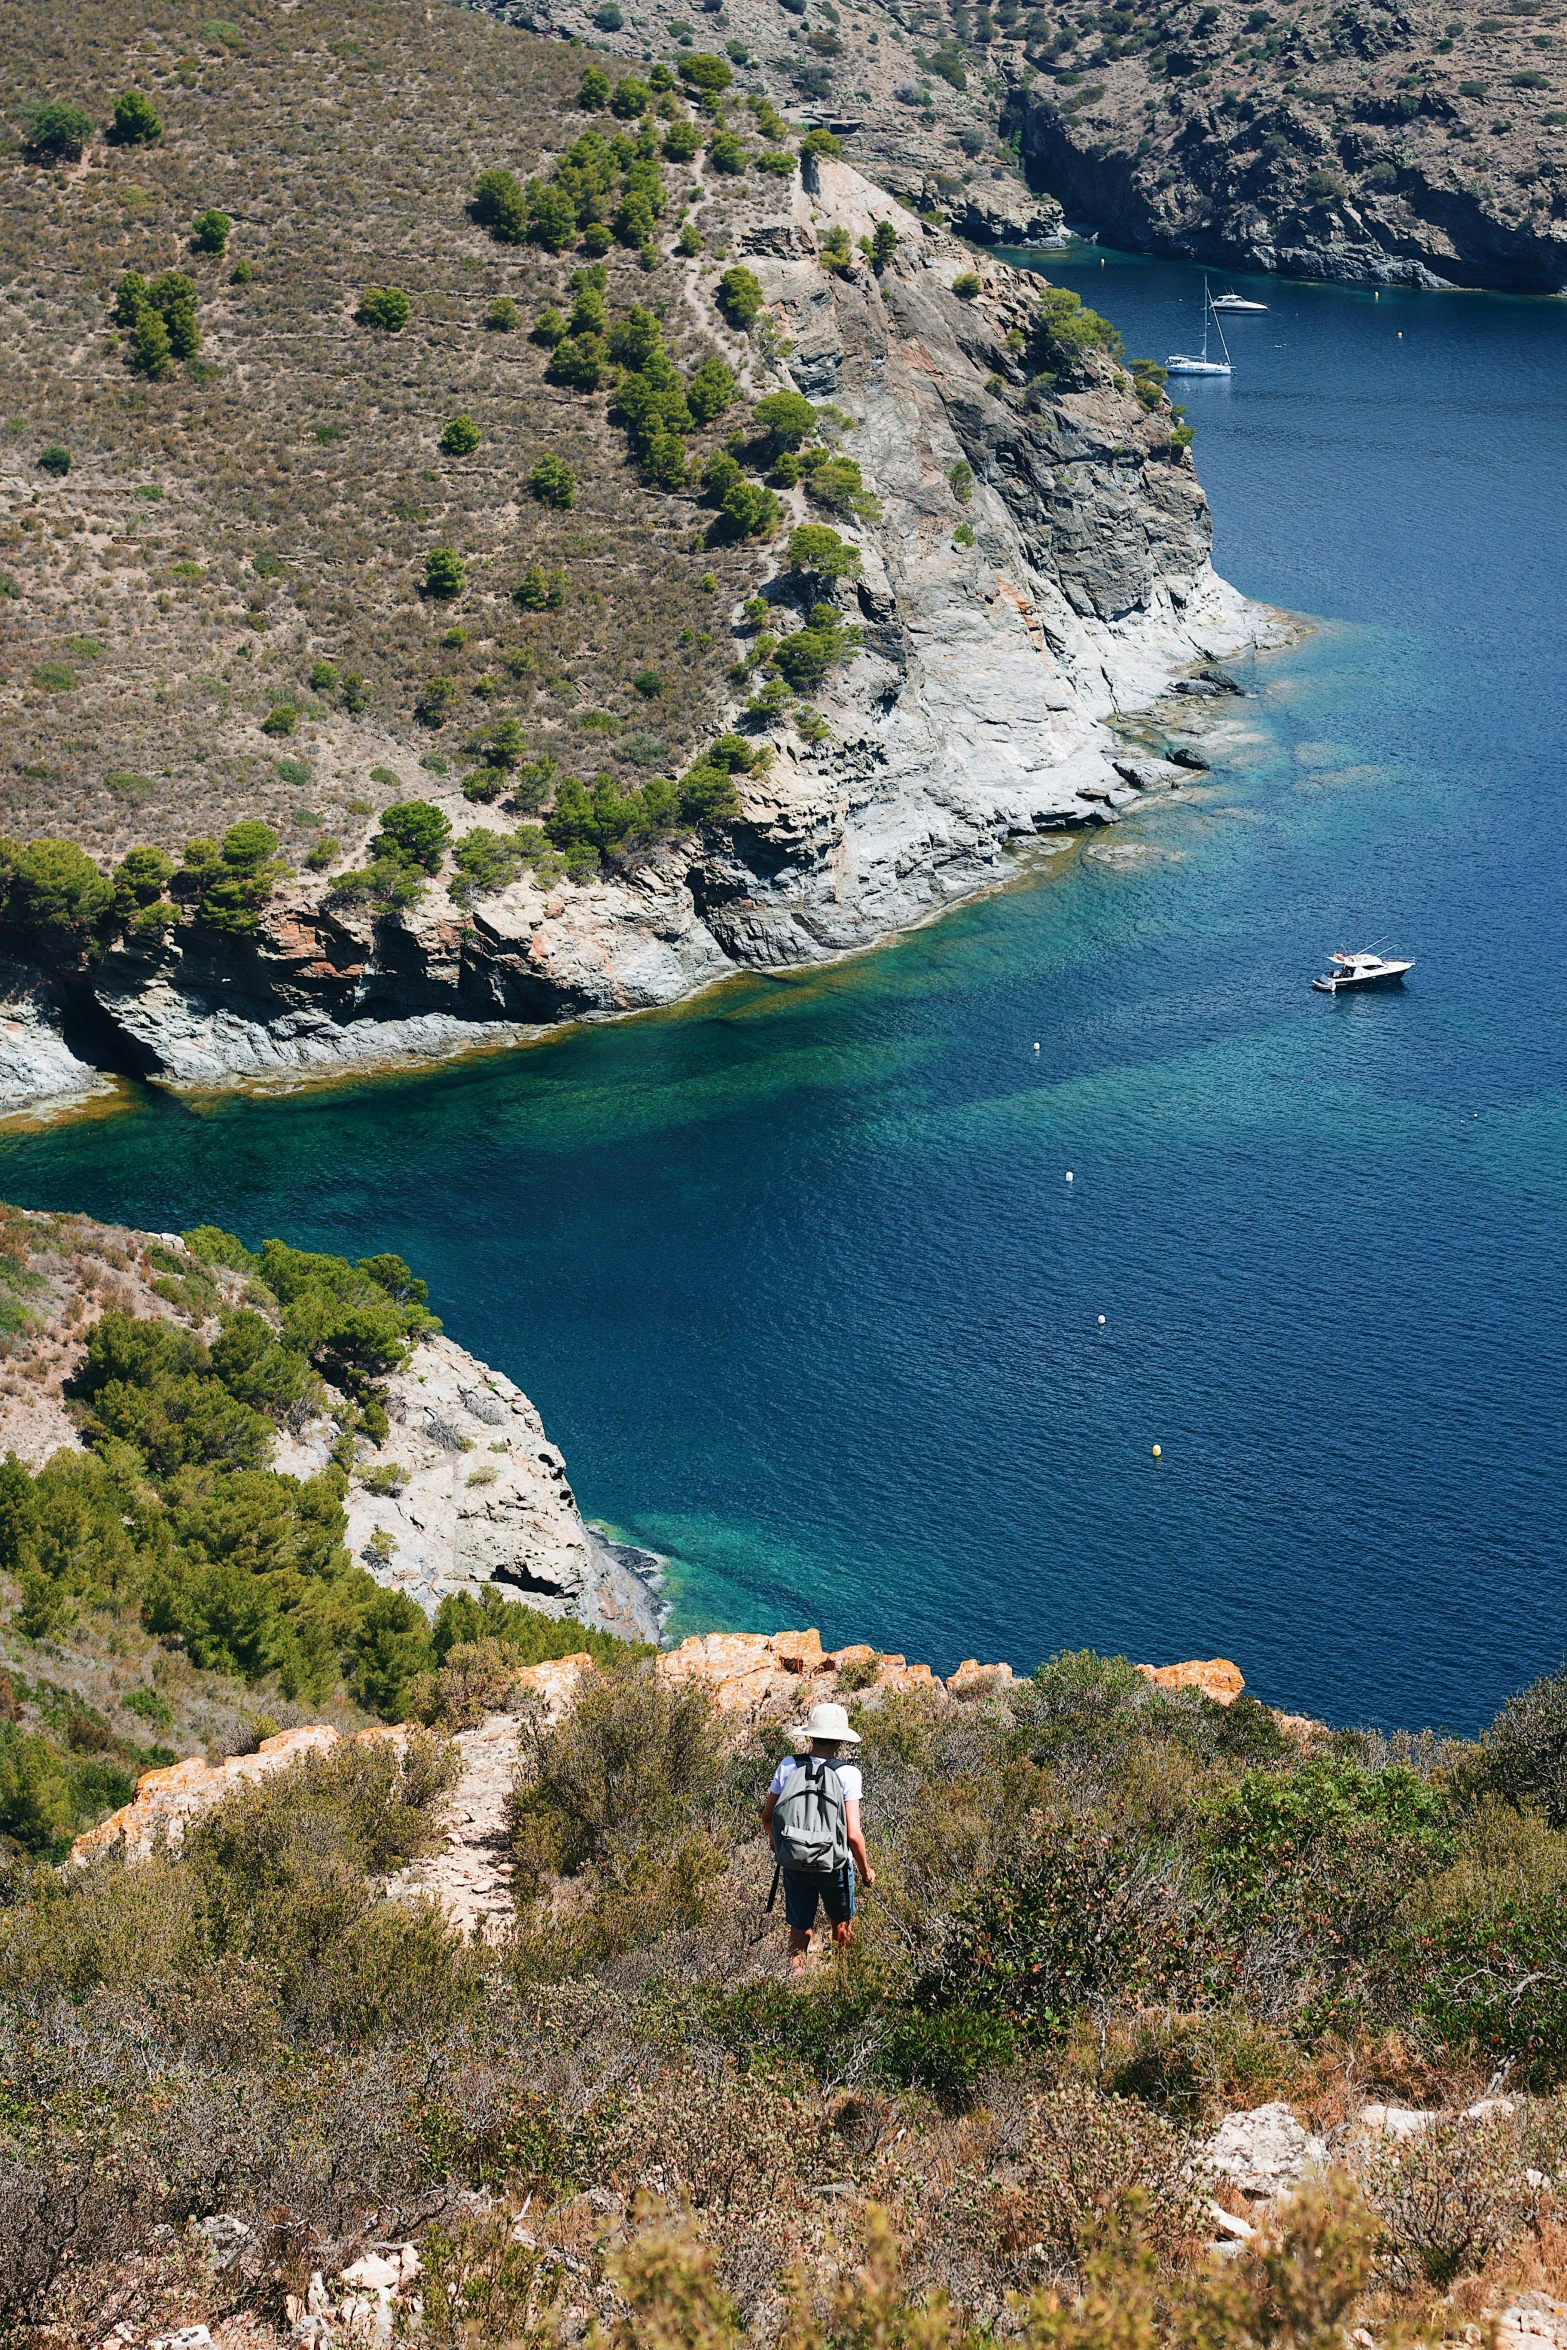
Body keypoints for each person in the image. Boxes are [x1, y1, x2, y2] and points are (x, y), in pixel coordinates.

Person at [761, 1700, 875, 1972]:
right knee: (841, 1926)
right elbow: (853, 1834)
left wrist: (780, 1847)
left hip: (794, 1862)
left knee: (799, 1930)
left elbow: (768, 1818)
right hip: (835, 1865)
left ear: (810, 1734)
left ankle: (795, 1984)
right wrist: (865, 1870)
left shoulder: (788, 1766)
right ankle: (839, 1982)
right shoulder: (848, 1773)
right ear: (839, 1739)